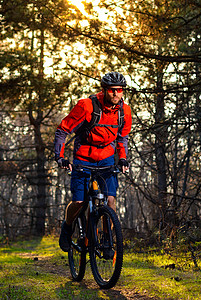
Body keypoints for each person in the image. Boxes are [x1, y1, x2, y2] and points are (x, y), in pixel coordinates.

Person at [53, 71, 132, 252]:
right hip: (83, 158)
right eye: (111, 90)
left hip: (106, 160)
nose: (115, 94)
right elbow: (63, 130)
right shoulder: (86, 106)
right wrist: (60, 157)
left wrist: (122, 159)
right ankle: (68, 226)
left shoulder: (124, 111)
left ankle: (106, 241)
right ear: (104, 90)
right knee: (80, 202)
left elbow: (122, 138)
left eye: (119, 90)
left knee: (110, 201)